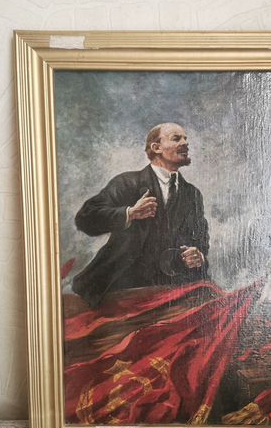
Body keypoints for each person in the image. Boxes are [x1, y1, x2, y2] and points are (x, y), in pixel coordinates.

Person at [72, 123, 209, 307]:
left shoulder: (192, 194)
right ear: (156, 147)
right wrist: (129, 213)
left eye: (185, 139)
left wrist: (198, 254)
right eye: (176, 138)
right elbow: (85, 218)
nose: (185, 143)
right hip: (123, 287)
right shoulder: (127, 183)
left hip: (174, 288)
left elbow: (201, 239)